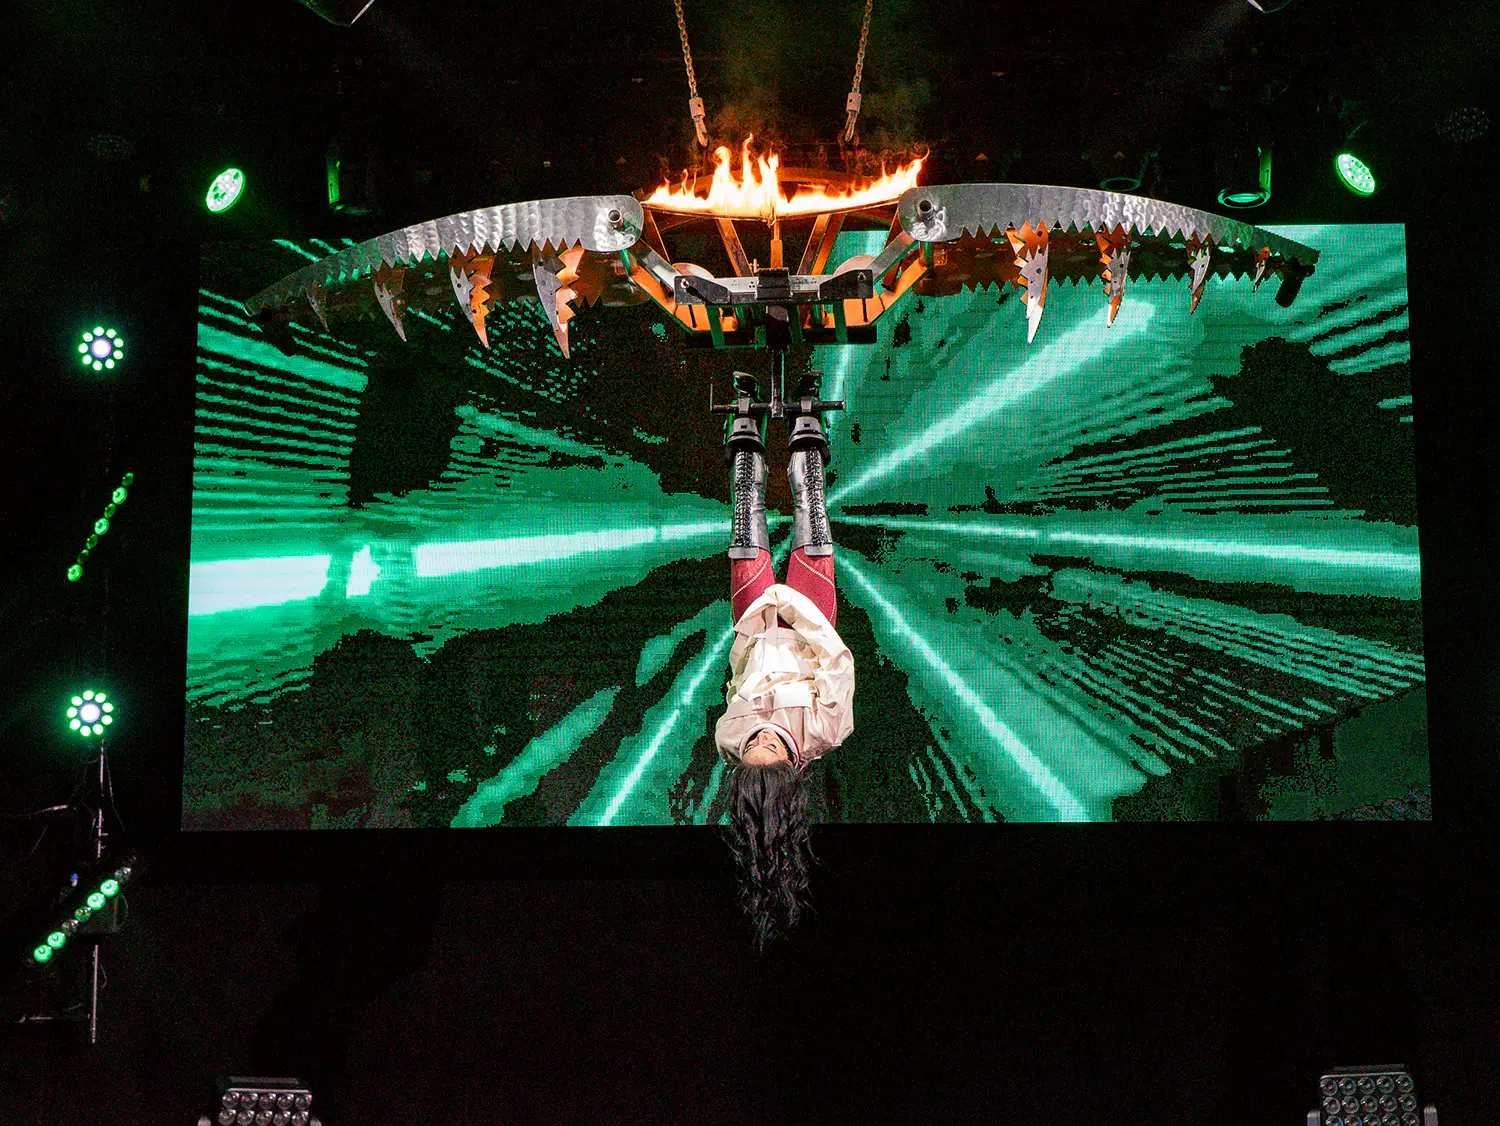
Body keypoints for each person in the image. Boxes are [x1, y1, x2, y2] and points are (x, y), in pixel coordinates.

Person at [714, 373, 854, 952]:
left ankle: (745, 421)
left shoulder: (729, 737)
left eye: (754, 746)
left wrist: (756, 615)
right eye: (772, 746)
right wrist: (794, 606)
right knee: (809, 501)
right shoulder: (826, 730)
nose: (762, 737)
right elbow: (835, 657)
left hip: (755, 618)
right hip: (809, 613)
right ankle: (806, 420)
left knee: (745, 513)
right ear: (791, 767)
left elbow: (739, 670)